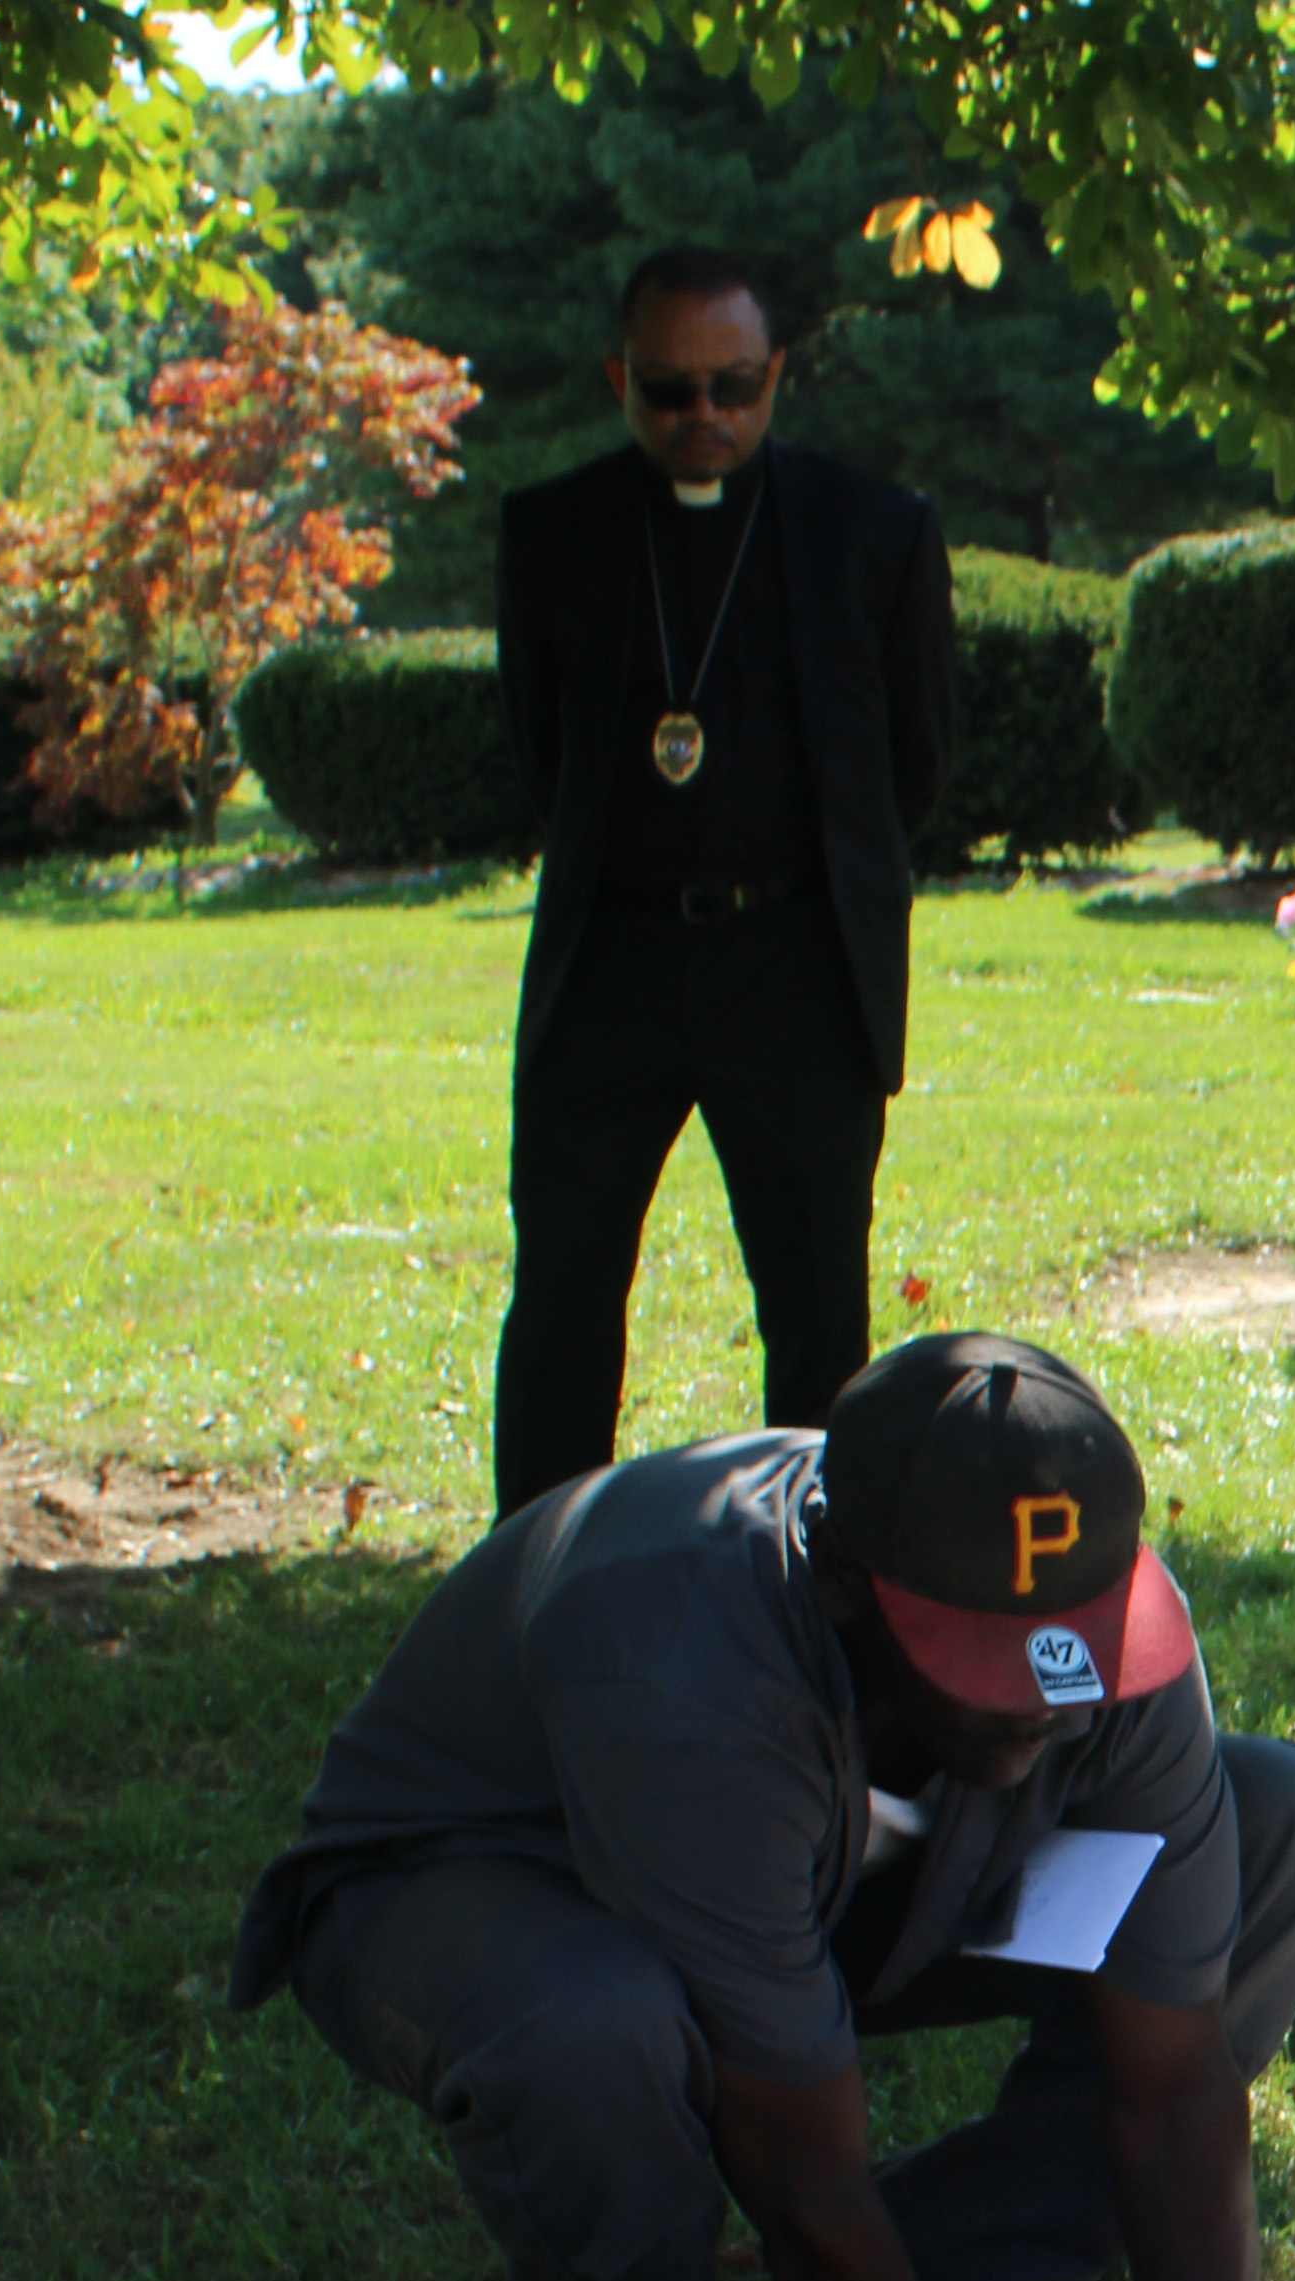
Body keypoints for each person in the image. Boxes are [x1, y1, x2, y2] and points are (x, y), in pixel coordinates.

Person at [233, 1333, 1295, 2281]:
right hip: (498, 1885)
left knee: (1280, 1820)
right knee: (599, 2024)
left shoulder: (1089, 1650)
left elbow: (1170, 2094)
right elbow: (806, 2179)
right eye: (991, 1657)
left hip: (824, 1877)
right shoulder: (679, 1660)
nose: (1044, 1706)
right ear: (845, 1584)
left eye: (1069, 1650)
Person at [486, 243, 958, 1516]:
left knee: (815, 1309)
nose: (705, 419)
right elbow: (548, 759)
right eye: (669, 391)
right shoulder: (553, 535)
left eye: (733, 389)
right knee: (565, 1298)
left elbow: (908, 767)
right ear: (617, 379)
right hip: (615, 965)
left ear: (778, 375)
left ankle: (821, 1587)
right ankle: (533, 1573)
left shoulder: (876, 532)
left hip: (797, 967)